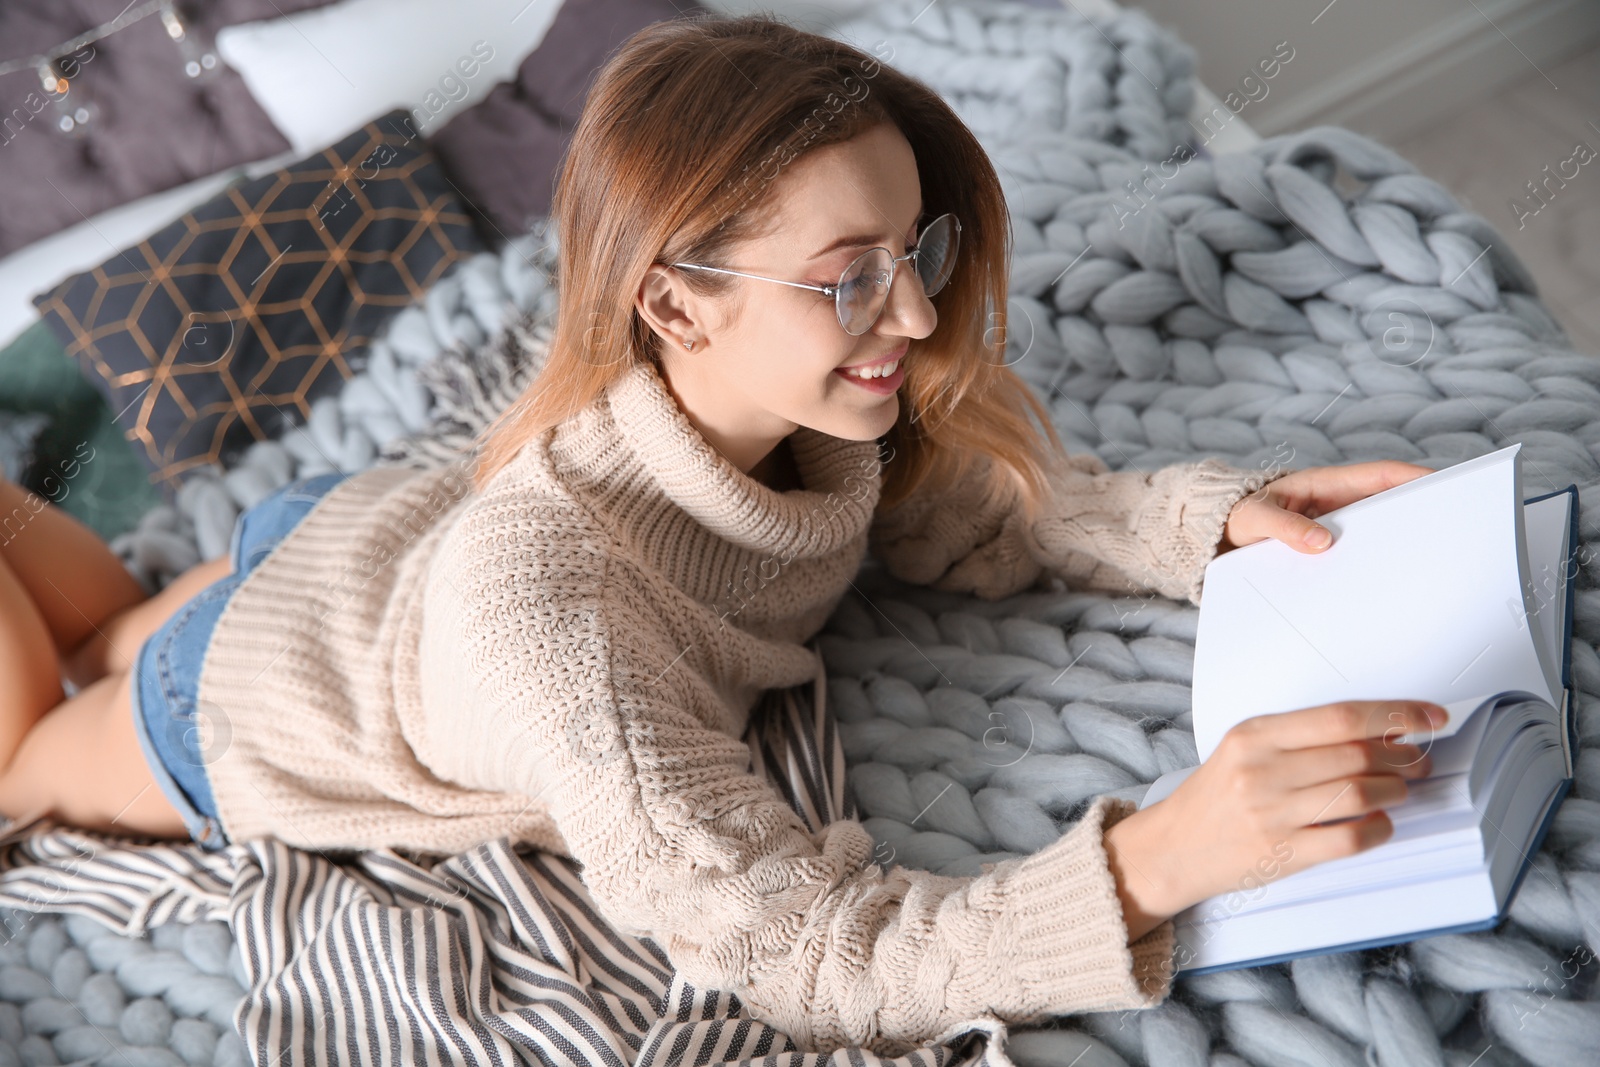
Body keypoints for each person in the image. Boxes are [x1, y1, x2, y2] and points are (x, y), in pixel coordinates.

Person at [0, 12, 1445, 1057]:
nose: (922, 318)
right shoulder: (564, 644)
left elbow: (976, 512)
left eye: (918, 252)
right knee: (24, 751)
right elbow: (799, 952)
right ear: (675, 304)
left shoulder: (806, 405)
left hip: (353, 539)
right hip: (244, 690)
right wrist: (1154, 863)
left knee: (111, 606)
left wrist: (1211, 522)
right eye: (851, 279)